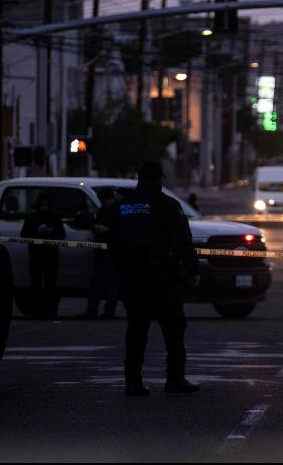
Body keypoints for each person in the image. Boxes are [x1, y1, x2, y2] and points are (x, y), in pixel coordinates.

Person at [109, 162, 201, 397]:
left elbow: (112, 243)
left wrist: (123, 268)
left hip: (133, 278)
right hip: (162, 277)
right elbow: (183, 241)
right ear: (160, 179)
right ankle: (175, 379)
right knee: (174, 329)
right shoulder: (167, 205)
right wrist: (193, 270)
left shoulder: (123, 206)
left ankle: (133, 381)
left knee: (136, 330)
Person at [20, 192, 65, 319]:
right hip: (36, 256)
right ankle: (37, 311)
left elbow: (61, 234)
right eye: (41, 204)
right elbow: (24, 234)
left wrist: (51, 231)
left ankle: (51, 311)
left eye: (46, 205)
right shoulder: (32, 218)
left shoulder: (54, 217)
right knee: (36, 285)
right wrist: (36, 232)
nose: (44, 207)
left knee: (51, 284)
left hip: (50, 256)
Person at [78, 188, 120, 319]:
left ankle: (108, 310)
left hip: (111, 252)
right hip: (101, 251)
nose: (102, 203)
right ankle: (93, 309)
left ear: (108, 199)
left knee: (110, 283)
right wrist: (96, 228)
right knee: (97, 282)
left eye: (103, 201)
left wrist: (106, 230)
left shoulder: (116, 212)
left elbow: (120, 232)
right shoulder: (103, 211)